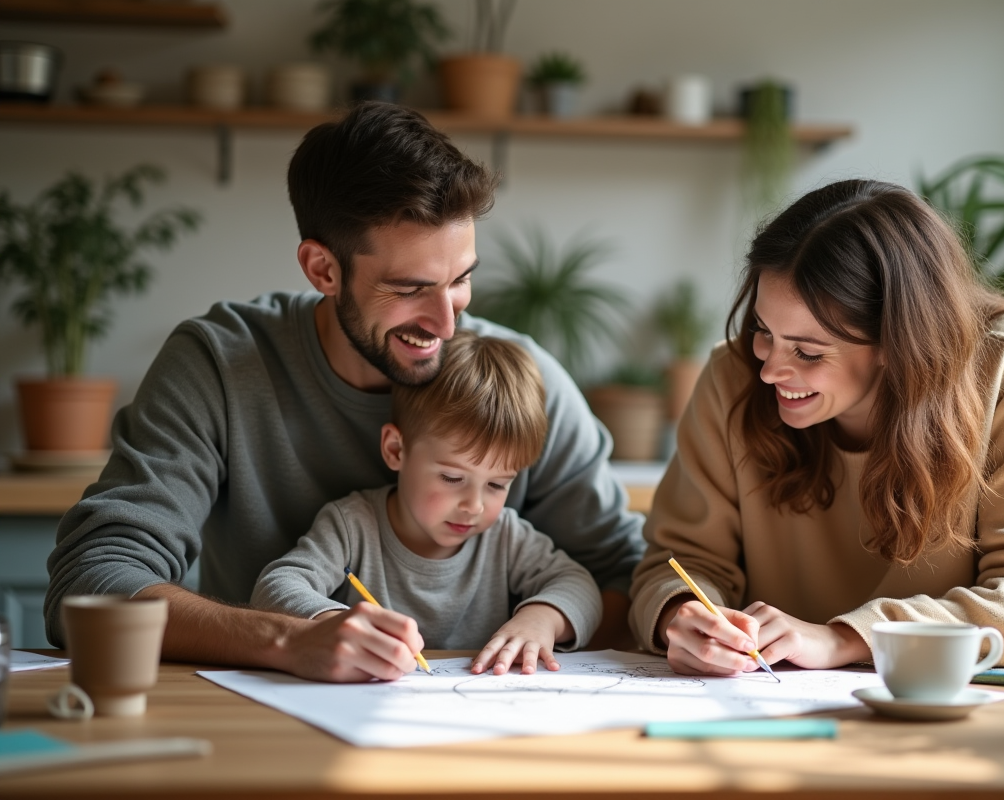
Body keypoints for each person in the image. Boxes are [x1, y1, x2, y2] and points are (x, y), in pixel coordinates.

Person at [44, 103, 644, 682]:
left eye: (461, 279)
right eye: (410, 288)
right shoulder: (219, 365)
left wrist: (554, 621)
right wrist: (288, 640)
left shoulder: (516, 378)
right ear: (322, 269)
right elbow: (92, 578)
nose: (446, 322)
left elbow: (626, 574)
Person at [629, 179, 1004, 676]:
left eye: (808, 352)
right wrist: (681, 614)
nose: (768, 370)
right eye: (765, 332)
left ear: (897, 343)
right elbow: (676, 560)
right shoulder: (734, 377)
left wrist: (846, 638)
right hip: (765, 712)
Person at [252, 331, 603, 677]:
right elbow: (276, 586)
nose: (475, 505)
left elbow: (580, 586)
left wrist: (542, 618)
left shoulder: (505, 536)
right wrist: (331, 624)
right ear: (395, 450)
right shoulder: (352, 525)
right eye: (452, 478)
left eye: (497, 484)